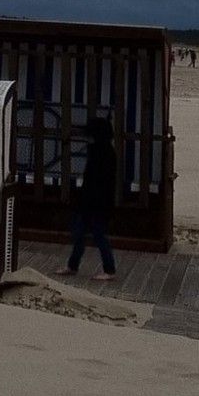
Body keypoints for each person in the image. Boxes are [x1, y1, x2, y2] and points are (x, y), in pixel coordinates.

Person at [62, 112, 118, 281]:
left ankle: (109, 270)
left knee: (99, 235)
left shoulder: (104, 154)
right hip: (91, 200)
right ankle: (72, 266)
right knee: (80, 233)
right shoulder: (101, 151)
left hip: (98, 202)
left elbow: (100, 183)